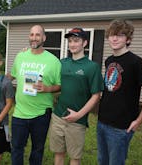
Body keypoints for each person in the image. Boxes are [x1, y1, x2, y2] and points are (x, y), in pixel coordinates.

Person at [97, 19, 142, 165]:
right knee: (102, 161)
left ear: (128, 39)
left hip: (121, 128)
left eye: (120, 35)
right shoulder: (109, 60)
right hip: (102, 122)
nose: (114, 38)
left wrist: (138, 121)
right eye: (112, 34)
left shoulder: (135, 62)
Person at [49, 27, 104, 165]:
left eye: (76, 41)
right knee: (58, 152)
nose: (72, 44)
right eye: (70, 41)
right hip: (58, 116)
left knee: (74, 157)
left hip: (76, 121)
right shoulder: (62, 63)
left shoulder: (92, 67)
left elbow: (96, 95)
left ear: (84, 43)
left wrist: (79, 115)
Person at [8, 25, 61, 165]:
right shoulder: (20, 56)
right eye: (31, 34)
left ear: (44, 38)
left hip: (41, 114)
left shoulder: (54, 61)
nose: (34, 38)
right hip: (19, 113)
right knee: (17, 148)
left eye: (37, 35)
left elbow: (60, 85)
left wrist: (47, 88)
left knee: (37, 149)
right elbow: (11, 76)